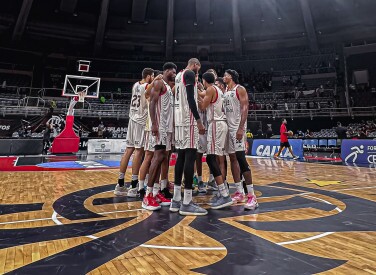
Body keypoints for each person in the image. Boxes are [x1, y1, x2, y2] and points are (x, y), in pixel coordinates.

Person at [171, 58, 207, 216]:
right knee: (190, 157)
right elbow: (191, 99)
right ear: (195, 65)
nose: (198, 70)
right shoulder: (190, 73)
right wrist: (199, 121)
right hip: (189, 120)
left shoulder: (178, 75)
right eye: (198, 68)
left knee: (180, 157)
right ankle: (187, 202)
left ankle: (176, 199)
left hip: (178, 119)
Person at [114, 68, 155, 196]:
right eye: (153, 76)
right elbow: (150, 89)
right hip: (140, 121)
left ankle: (120, 184)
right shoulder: (146, 86)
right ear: (148, 76)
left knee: (128, 151)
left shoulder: (135, 85)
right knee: (139, 151)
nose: (153, 78)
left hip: (131, 119)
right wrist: (158, 80)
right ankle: (133, 186)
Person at [142, 63, 176, 211]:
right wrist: (154, 124)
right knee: (157, 157)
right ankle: (147, 195)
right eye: (173, 72)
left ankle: (156, 192)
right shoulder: (158, 82)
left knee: (163, 157)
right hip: (160, 126)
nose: (174, 74)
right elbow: (152, 103)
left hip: (167, 128)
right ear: (167, 70)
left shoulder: (167, 86)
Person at [223, 69, 258, 210]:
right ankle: (239, 191)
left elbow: (245, 107)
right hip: (228, 129)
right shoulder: (225, 91)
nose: (223, 77)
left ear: (231, 76)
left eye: (225, 75)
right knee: (232, 159)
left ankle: (252, 196)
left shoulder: (240, 89)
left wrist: (241, 128)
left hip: (237, 128)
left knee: (241, 159)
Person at [198, 72, 232, 209]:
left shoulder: (211, 89)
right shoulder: (216, 89)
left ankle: (224, 194)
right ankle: (222, 191)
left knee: (211, 158)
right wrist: (198, 90)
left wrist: (193, 95)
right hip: (220, 124)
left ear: (205, 80)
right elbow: (204, 95)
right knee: (216, 158)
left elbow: (202, 106)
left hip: (216, 124)